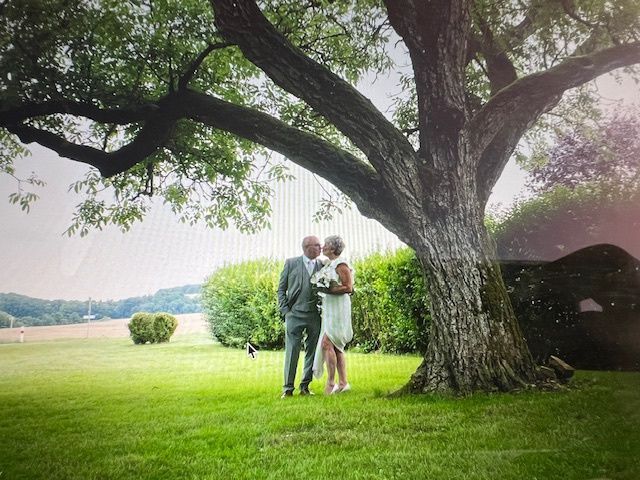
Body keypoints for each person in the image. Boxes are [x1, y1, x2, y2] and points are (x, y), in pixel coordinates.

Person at [277, 235, 324, 398]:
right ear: (306, 247)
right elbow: (281, 289)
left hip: (314, 315)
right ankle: (288, 389)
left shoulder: (322, 264)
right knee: (292, 351)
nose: (321, 247)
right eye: (317, 245)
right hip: (294, 314)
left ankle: (305, 386)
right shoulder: (291, 263)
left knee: (312, 351)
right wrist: (286, 311)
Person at [312, 235, 354, 395]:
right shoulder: (329, 264)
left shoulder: (341, 264)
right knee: (336, 347)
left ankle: (331, 383)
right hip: (329, 308)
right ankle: (343, 383)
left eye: (326, 244)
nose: (323, 246)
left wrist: (329, 289)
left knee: (327, 343)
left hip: (339, 308)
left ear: (333, 248)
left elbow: (348, 287)